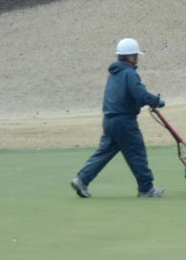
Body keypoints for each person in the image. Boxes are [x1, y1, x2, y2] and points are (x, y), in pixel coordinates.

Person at [71, 38, 166, 199]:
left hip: (110, 120)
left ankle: (82, 179)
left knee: (104, 152)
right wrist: (156, 101)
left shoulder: (114, 74)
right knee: (137, 152)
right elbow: (139, 94)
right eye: (135, 55)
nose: (136, 58)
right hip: (124, 121)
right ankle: (146, 188)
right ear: (130, 57)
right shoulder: (130, 73)